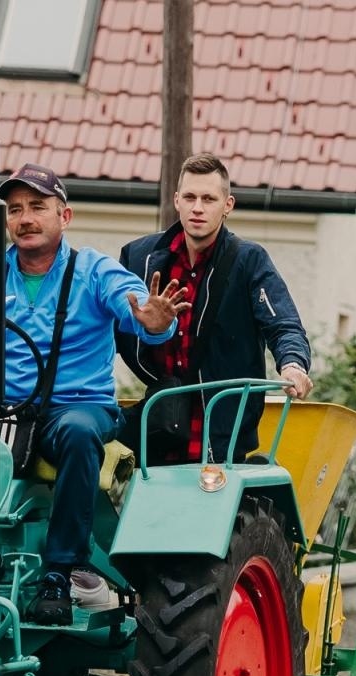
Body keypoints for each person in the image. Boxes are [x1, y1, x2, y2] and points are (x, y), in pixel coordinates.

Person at [0, 161, 189, 624]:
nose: (25, 218)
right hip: (1, 410)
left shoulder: (93, 270)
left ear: (64, 216)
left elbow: (135, 305)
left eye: (37, 207)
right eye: (14, 210)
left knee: (78, 432)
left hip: (73, 407)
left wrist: (152, 321)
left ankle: (61, 573)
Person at [117, 153, 314, 466]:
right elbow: (103, 328)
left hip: (224, 427)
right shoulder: (140, 257)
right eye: (190, 197)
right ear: (176, 200)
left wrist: (293, 365)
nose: (198, 207)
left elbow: (284, 325)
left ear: (228, 205)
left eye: (208, 199)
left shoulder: (249, 260)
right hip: (161, 421)